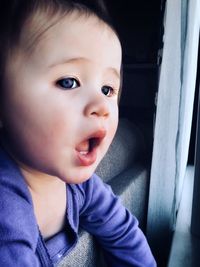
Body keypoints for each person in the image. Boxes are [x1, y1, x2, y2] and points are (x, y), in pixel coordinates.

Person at [0, 0, 156, 266]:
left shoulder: (79, 186)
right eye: (69, 82)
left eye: (108, 89)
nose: (101, 106)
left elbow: (123, 232)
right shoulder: (7, 205)